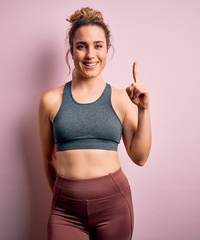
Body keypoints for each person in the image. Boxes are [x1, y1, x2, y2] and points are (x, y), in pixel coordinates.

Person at [38, 6, 152, 240]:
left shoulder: (122, 99)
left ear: (107, 49)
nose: (91, 55)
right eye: (82, 46)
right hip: (65, 211)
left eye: (98, 46)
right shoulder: (51, 101)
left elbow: (140, 157)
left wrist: (144, 109)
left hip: (114, 208)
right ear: (71, 50)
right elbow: (48, 158)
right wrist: (66, 195)